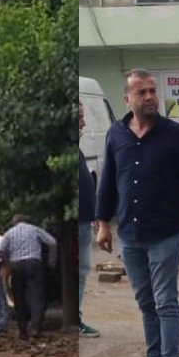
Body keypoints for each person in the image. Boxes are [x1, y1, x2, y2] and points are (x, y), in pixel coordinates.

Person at [96, 68, 179, 357]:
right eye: (141, 92)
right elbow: (108, 183)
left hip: (165, 234)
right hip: (130, 234)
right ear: (127, 99)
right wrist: (103, 224)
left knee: (165, 302)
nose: (149, 97)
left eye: (152, 91)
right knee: (146, 303)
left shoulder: (177, 135)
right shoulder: (116, 134)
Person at [0, 215, 56, 340]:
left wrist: (7, 261)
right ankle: (35, 328)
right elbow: (52, 242)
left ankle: (22, 330)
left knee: (18, 298)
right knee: (36, 296)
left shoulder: (9, 233)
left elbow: (0, 250)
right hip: (34, 263)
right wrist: (51, 261)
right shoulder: (34, 229)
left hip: (16, 265)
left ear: (14, 223)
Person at [77, 104, 100, 338]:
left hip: (85, 222)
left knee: (83, 270)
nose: (84, 123)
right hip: (76, 224)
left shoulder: (79, 151)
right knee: (78, 271)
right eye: (80, 118)